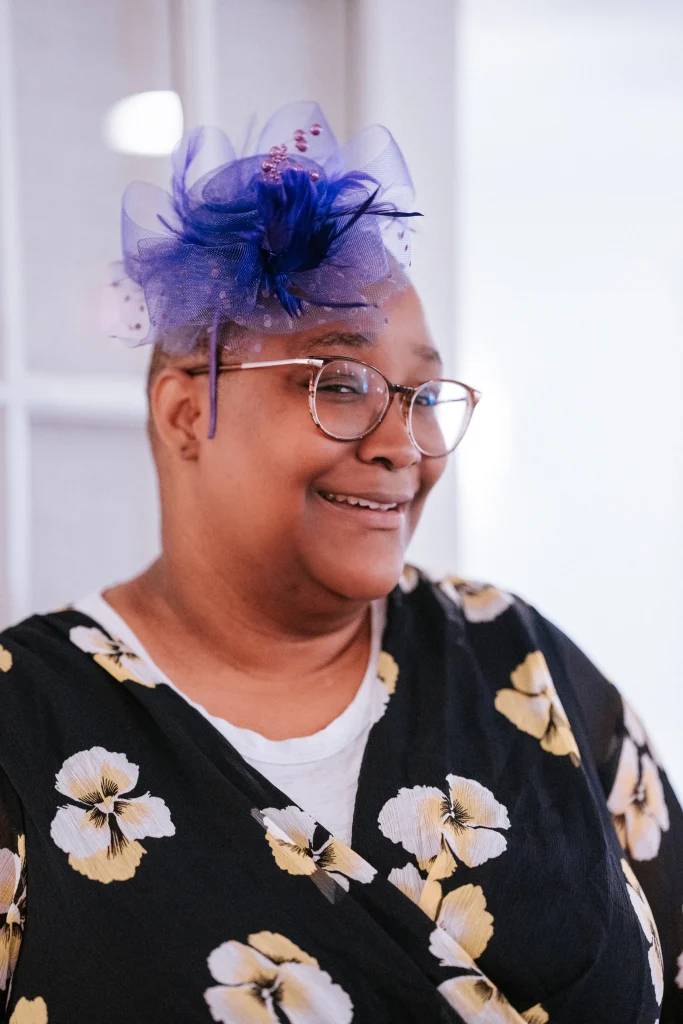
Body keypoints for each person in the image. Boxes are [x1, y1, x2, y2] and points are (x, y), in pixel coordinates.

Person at [0, 102, 680, 1024]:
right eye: (341, 383)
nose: (404, 445)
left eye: (423, 395)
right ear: (186, 413)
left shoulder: (520, 662)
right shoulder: (23, 724)